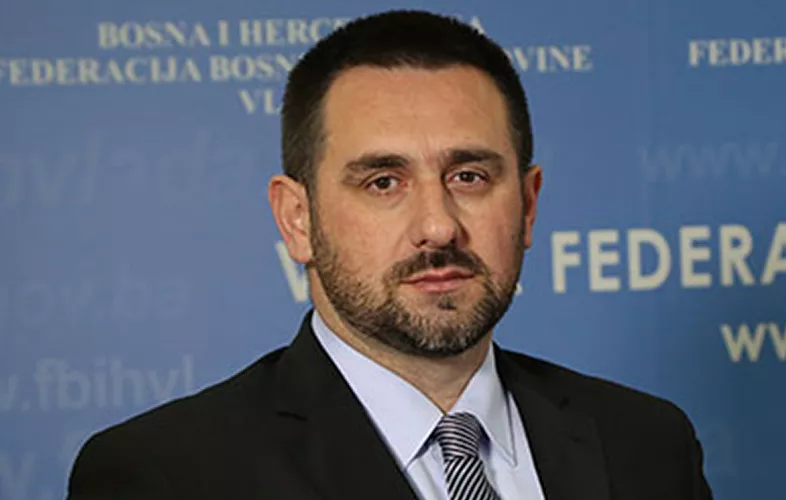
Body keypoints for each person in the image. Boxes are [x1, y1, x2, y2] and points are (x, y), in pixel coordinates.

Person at [67, 9, 713, 500]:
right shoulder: (165, 476)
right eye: (383, 182)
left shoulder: (647, 445)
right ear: (297, 219)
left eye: (469, 177)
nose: (437, 226)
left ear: (528, 204)